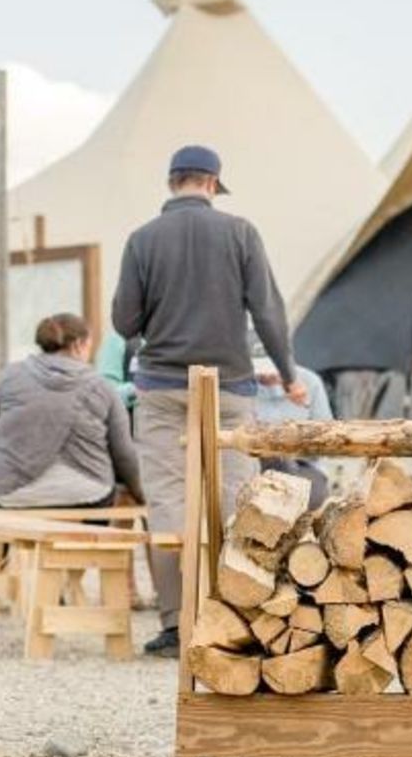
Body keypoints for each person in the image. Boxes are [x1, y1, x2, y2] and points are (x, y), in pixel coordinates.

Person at [113, 144, 304, 657]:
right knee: (236, 499)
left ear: (172, 181)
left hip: (161, 387)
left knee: (170, 502)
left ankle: (177, 624)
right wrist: (289, 375)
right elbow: (267, 310)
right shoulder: (241, 233)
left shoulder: (142, 240)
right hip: (230, 388)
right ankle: (235, 617)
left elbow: (124, 323)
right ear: (213, 184)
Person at [0, 313, 142, 508]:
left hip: (9, 494)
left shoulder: (8, 376)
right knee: (118, 497)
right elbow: (123, 454)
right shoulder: (100, 385)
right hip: (87, 495)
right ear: (79, 345)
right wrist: (142, 493)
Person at [253, 350, 332, 509]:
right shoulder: (243, 388)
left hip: (304, 467)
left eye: (272, 374)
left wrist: (289, 448)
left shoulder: (310, 382)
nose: (267, 378)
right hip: (257, 468)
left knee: (301, 491)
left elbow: (329, 439)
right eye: (261, 375)